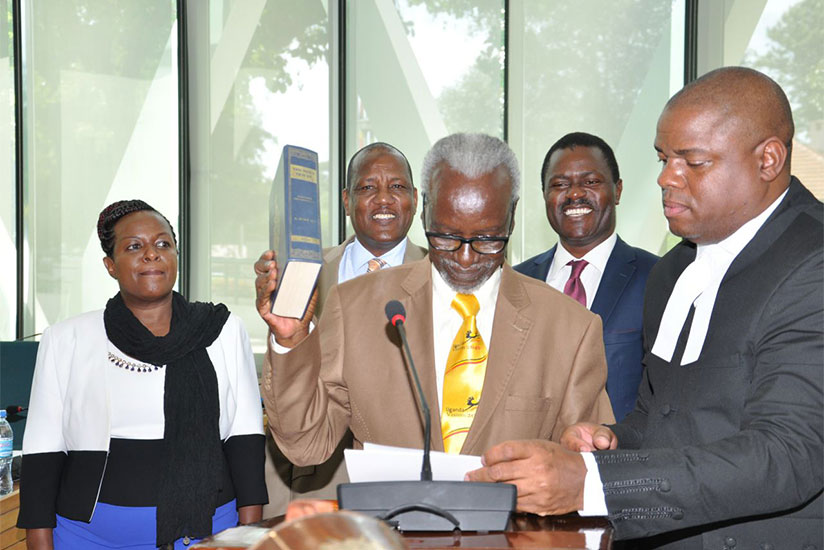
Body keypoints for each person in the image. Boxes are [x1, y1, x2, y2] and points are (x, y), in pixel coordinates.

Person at [466, 67, 823, 548]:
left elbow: (788, 453)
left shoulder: (813, 262)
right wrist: (610, 443)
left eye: (693, 162)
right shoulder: (672, 271)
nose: (665, 178)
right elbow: (663, 418)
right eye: (663, 158)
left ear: (768, 159)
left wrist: (594, 484)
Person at [254, 133, 614, 489]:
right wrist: (290, 340)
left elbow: (586, 466)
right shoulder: (354, 307)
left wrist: (580, 460)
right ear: (424, 208)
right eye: (446, 238)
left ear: (512, 217)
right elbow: (307, 445)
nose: (466, 258)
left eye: (488, 240)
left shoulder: (570, 329)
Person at [18, 200, 267, 550]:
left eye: (163, 243)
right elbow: (43, 449)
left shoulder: (221, 330)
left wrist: (249, 532)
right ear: (110, 265)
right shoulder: (66, 338)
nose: (151, 254)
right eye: (134, 246)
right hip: (86, 537)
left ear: (176, 254)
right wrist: (39, 538)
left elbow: (246, 437)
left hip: (208, 533)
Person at [263, 142, 426, 515]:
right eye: (368, 187)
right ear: (346, 200)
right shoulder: (302, 269)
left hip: (401, 479)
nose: (383, 199)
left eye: (397, 187)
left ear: (415, 199)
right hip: (310, 476)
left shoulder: (440, 277)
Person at [515, 132, 658, 420]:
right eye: (559, 184)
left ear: (617, 191)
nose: (575, 194)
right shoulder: (516, 282)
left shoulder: (656, 277)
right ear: (545, 195)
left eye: (591, 182)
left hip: (619, 445)